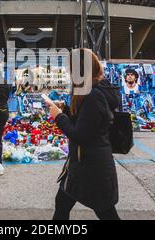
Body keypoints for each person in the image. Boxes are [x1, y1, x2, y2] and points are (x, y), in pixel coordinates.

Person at [45, 48, 121, 220]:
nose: (68, 72)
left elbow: (80, 134)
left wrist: (59, 116)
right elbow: (83, 120)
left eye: (70, 69)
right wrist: (64, 109)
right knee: (62, 204)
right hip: (79, 163)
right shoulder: (87, 90)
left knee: (106, 212)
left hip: (92, 167)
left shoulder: (93, 95)